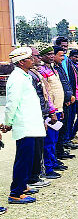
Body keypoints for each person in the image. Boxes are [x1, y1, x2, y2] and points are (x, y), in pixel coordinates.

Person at [4, 47, 45, 204]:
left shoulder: (25, 76)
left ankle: (23, 185)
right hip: (24, 125)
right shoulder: (17, 78)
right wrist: (7, 123)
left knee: (29, 158)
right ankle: (15, 193)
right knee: (23, 159)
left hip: (31, 124)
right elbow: (11, 104)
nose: (33, 60)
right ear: (21, 62)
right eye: (30, 58)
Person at [38, 45, 66, 179]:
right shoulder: (42, 70)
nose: (50, 56)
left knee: (54, 139)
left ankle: (53, 163)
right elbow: (47, 93)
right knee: (49, 141)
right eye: (48, 54)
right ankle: (48, 168)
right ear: (42, 56)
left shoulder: (53, 68)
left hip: (58, 109)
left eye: (51, 54)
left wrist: (60, 109)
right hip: (51, 111)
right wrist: (52, 111)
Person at [27, 48, 52, 188]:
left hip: (40, 115)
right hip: (34, 117)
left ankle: (35, 175)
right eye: (35, 56)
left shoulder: (35, 72)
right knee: (34, 149)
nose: (38, 58)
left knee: (38, 147)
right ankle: (33, 177)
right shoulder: (28, 75)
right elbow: (35, 98)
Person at [53, 46, 78, 157]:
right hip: (60, 103)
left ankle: (60, 151)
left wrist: (70, 96)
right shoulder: (53, 69)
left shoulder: (59, 67)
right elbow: (58, 87)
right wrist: (67, 98)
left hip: (66, 101)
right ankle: (57, 153)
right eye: (61, 55)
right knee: (58, 129)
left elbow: (66, 83)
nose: (63, 58)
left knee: (64, 127)